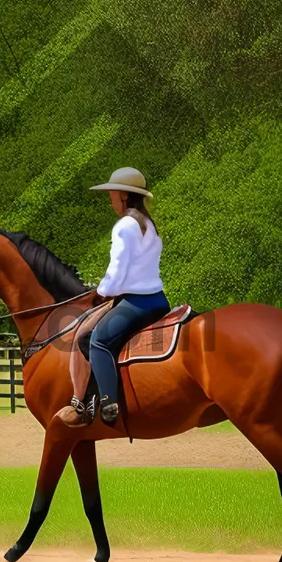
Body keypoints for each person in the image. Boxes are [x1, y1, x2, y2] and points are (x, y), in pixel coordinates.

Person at [56, 167, 170, 427]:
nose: (110, 200)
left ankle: (108, 403)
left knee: (95, 340)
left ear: (124, 196)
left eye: (112, 194)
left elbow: (117, 272)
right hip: (157, 300)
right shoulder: (147, 224)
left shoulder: (125, 226)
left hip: (136, 302)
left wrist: (100, 292)